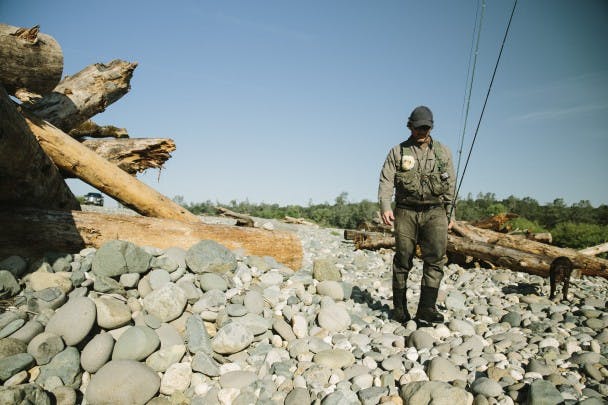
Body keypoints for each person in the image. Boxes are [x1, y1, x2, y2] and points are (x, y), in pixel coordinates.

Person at [378, 105, 456, 324]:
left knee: (436, 260)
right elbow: (386, 181)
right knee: (403, 259)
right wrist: (385, 206)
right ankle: (400, 308)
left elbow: (450, 184)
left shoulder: (443, 152)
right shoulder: (398, 151)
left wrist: (451, 214)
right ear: (410, 126)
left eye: (426, 128)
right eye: (419, 127)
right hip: (406, 211)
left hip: (435, 212)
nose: (423, 132)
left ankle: (427, 308)